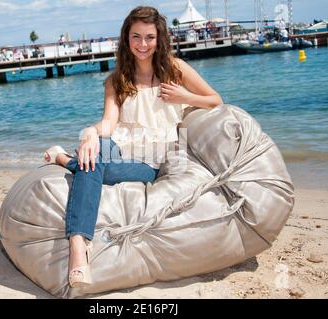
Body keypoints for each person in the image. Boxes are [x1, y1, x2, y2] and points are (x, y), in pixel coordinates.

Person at [43, 6, 223, 288]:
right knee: (97, 153)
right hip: (117, 146)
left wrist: (184, 96)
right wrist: (91, 131)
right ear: (126, 39)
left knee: (91, 165)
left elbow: (215, 100)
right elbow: (109, 123)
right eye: (136, 36)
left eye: (149, 37)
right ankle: (79, 245)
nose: (142, 44)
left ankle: (67, 160)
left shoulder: (174, 69)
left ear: (159, 38)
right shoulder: (117, 79)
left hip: (151, 161)